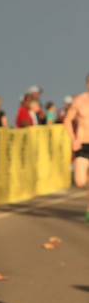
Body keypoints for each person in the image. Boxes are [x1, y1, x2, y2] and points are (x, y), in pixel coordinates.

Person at [63, 74, 89, 222]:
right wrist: (73, 139)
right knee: (80, 181)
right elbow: (67, 120)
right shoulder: (79, 101)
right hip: (83, 144)